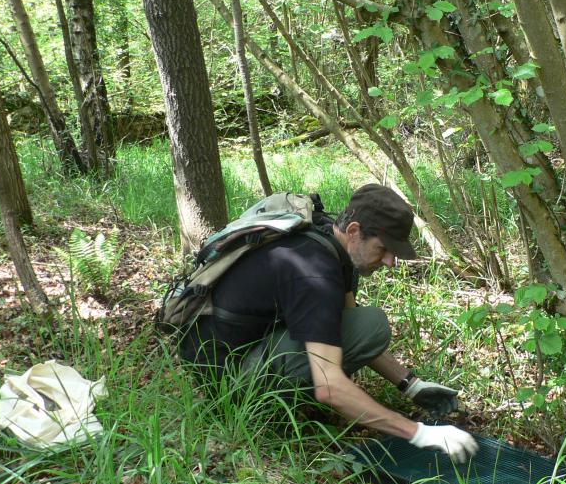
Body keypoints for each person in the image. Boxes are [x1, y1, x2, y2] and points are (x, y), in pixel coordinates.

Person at [177, 184, 478, 463]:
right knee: (372, 325)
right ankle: (259, 408)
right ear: (354, 230)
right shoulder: (314, 274)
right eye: (383, 248)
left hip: (232, 350)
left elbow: (346, 327)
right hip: (226, 381)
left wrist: (411, 385)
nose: (390, 262)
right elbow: (329, 388)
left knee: (366, 323)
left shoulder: (327, 237)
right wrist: (419, 433)